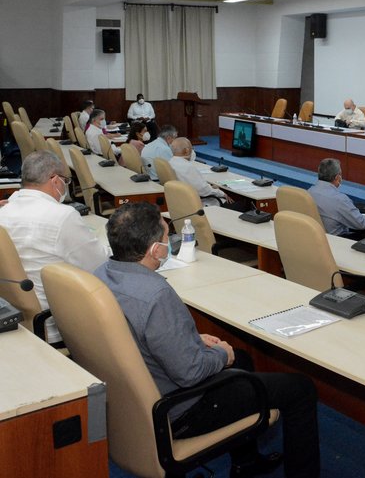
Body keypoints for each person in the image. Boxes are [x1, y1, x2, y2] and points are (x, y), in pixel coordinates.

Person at [94, 202, 320, 478]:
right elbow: (190, 374)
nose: (170, 243)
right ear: (155, 251)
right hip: (181, 409)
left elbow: (135, 331)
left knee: (245, 358)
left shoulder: (101, 275)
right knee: (300, 388)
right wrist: (223, 355)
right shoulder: (156, 295)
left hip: (136, 393)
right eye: (167, 238)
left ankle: (246, 461)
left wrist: (188, 337)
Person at [0, 151, 109, 344]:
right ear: (55, 180)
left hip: (17, 314)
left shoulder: (4, 211)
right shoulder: (62, 216)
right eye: (66, 181)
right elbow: (100, 267)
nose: (65, 186)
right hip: (54, 322)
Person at [169, 138, 245, 210]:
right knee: (242, 205)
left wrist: (211, 187)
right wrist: (222, 193)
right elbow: (203, 190)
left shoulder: (170, 162)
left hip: (183, 200)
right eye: (192, 148)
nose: (192, 151)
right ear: (186, 150)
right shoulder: (187, 167)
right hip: (203, 203)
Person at [308, 158, 365, 238]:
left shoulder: (309, 192)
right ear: (337, 177)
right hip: (338, 240)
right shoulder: (340, 199)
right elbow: (361, 223)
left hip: (318, 237)